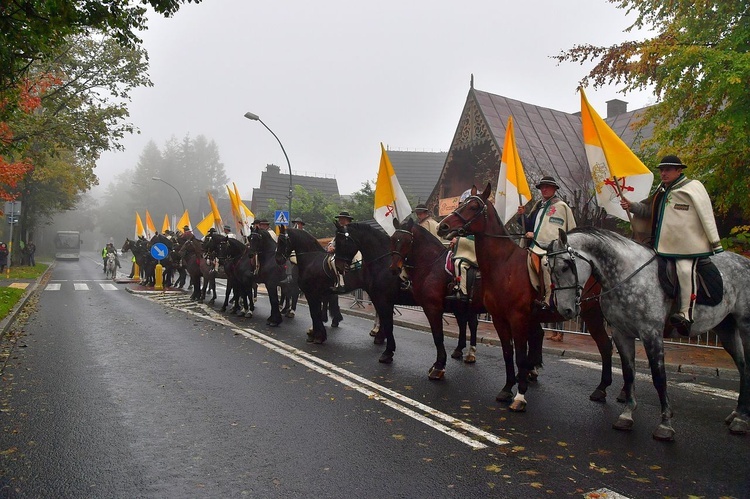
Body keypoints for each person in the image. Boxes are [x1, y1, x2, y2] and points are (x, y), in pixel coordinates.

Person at [620, 155, 723, 336]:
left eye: (668, 169)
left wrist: (714, 241)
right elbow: (648, 212)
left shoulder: (693, 188)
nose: (663, 173)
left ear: (679, 170)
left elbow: (706, 215)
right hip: (659, 245)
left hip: (688, 247)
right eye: (661, 169)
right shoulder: (662, 191)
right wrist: (632, 206)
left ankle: (686, 313)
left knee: (684, 270)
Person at [518, 175, 576, 341]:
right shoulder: (538, 207)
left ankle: (548, 300)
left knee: (545, 264)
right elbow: (528, 227)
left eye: (548, 187)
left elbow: (569, 231)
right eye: (542, 187)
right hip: (533, 246)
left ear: (555, 189)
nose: (544, 189)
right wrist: (521, 216)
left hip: (552, 250)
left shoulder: (562, 207)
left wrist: (537, 236)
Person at [328, 211, 355, 291]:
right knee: (331, 260)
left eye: (341, 219)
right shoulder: (340, 230)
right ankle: (339, 281)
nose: (339, 220)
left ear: (346, 219)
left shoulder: (352, 229)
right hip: (341, 253)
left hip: (352, 252)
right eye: (339, 219)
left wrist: (336, 248)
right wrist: (330, 245)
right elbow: (335, 240)